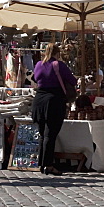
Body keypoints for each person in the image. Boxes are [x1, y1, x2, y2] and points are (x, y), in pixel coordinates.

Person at [31, 43, 77, 176]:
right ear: (58, 54)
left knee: (42, 134)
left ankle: (41, 164)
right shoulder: (58, 65)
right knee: (50, 135)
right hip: (54, 100)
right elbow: (72, 81)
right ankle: (48, 165)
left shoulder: (39, 64)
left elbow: (35, 78)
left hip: (39, 100)